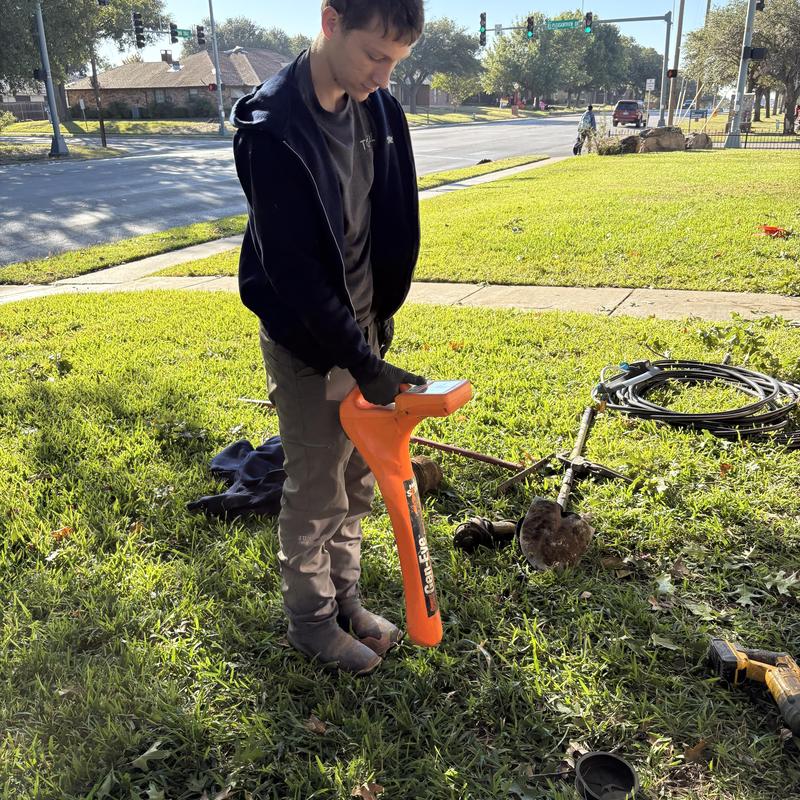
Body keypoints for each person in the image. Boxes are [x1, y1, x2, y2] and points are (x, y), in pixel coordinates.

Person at [230, 0, 426, 676]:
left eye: (396, 63)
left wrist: (376, 336)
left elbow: (387, 229)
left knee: (357, 481)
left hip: (364, 334)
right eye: (375, 54)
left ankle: (347, 602)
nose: (383, 75)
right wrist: (356, 357)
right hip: (311, 340)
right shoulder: (271, 128)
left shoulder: (381, 113)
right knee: (316, 492)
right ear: (330, 19)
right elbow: (295, 275)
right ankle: (310, 621)